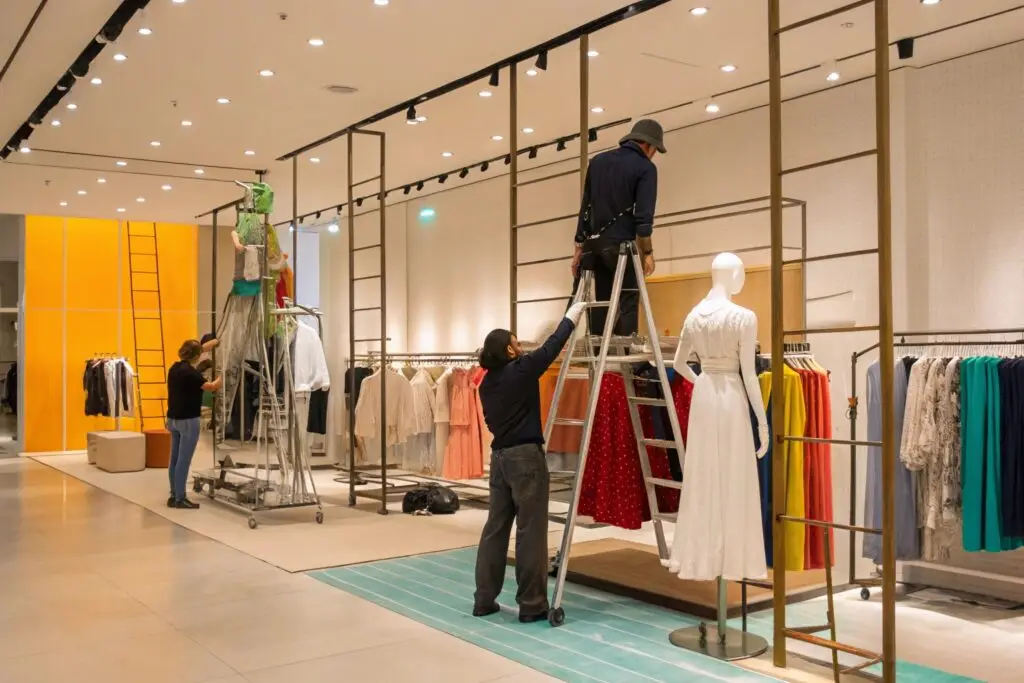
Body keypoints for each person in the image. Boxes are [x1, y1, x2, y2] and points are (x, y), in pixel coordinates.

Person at [473, 301, 587, 622]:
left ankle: (484, 599)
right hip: (526, 458)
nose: (520, 344)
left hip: (500, 459)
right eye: (515, 341)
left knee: (495, 529)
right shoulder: (520, 371)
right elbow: (551, 348)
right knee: (531, 531)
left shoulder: (486, 384)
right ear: (508, 350)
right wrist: (570, 318)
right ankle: (532, 604)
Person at [570, 118, 665, 337]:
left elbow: (586, 208)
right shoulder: (646, 169)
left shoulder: (598, 162)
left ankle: (599, 358)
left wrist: (578, 250)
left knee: (602, 302)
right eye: (655, 150)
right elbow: (644, 217)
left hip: (595, 247)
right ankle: (627, 361)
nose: (654, 154)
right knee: (628, 298)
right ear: (648, 145)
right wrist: (648, 253)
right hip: (622, 248)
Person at [166, 338, 223, 509]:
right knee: (184, 460)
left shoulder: (174, 368)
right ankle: (181, 498)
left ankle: (173, 495)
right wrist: (224, 373)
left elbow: (197, 350)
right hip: (188, 420)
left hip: (173, 419)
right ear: (197, 356)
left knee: (174, 459)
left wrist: (214, 342)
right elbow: (212, 386)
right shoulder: (192, 374)